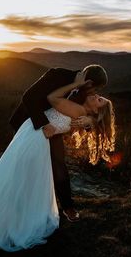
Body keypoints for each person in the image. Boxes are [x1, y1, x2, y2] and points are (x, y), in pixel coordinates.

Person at [0, 77, 114, 252]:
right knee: (23, 179)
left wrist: (73, 84)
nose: (96, 96)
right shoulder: (82, 115)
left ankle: (14, 222)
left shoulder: (79, 111)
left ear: (97, 110)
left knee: (10, 176)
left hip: (35, 136)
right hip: (36, 134)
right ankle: (20, 220)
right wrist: (91, 120)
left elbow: (53, 99)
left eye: (99, 100)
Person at [9, 64, 108, 222]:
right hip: (30, 122)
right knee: (24, 164)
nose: (95, 93)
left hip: (54, 128)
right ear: (88, 82)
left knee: (59, 164)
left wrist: (89, 121)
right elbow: (28, 97)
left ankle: (68, 207)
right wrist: (44, 124)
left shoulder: (84, 90)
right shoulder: (57, 75)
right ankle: (19, 204)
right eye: (94, 89)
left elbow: (87, 110)